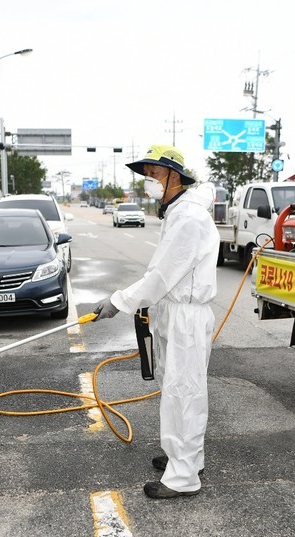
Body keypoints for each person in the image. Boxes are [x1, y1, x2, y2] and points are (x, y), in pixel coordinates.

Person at [93, 144, 219, 499]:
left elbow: (162, 276)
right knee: (178, 388)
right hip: (174, 313)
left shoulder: (189, 217)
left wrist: (120, 301)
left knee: (184, 393)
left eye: (155, 175)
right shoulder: (178, 211)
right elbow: (161, 275)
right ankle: (186, 459)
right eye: (147, 175)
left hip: (186, 315)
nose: (149, 182)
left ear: (175, 176)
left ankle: (183, 478)